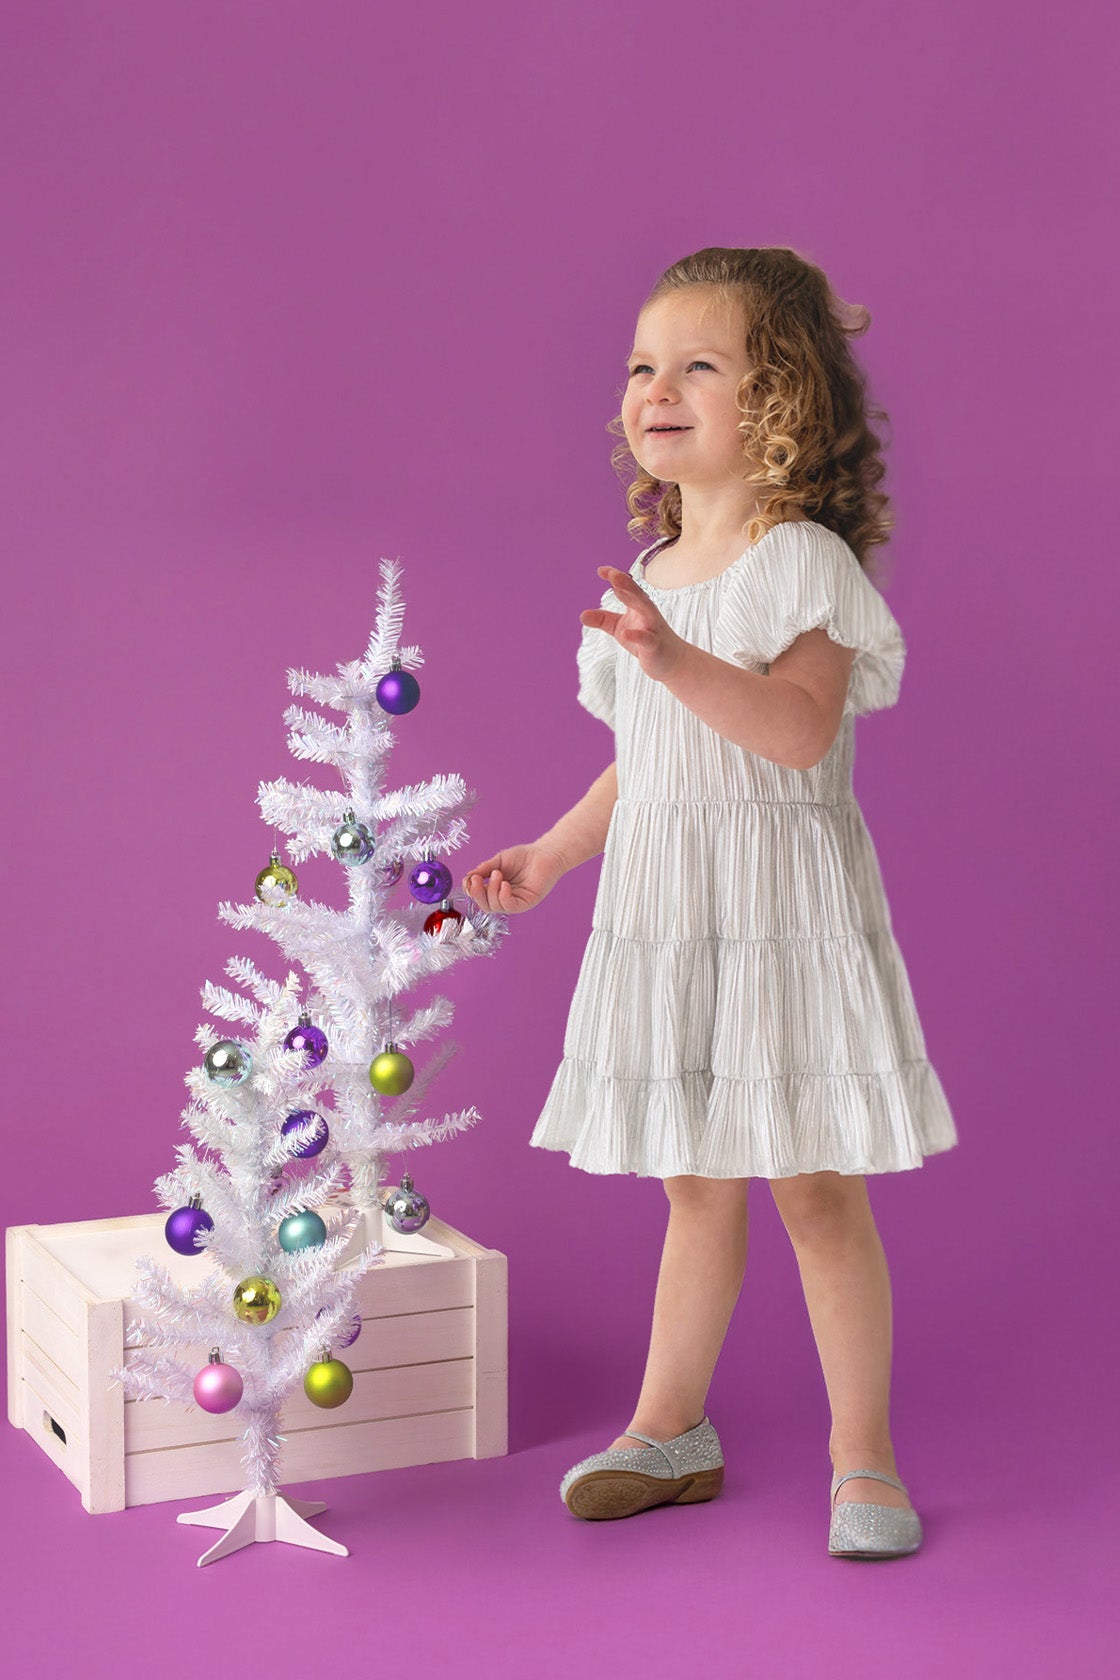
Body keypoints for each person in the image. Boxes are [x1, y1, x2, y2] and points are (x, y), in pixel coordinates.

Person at [462, 246, 957, 1559]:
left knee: (814, 1190)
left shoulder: (803, 564)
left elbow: (795, 732)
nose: (654, 389)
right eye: (639, 366)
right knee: (693, 1185)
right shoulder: (652, 574)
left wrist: (670, 654)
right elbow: (649, 756)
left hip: (780, 916)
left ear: (780, 396)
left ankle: (866, 1460)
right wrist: (557, 854)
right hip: (674, 917)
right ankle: (670, 1428)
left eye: (697, 365)